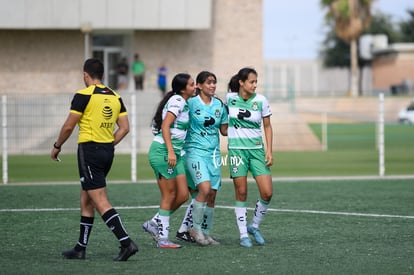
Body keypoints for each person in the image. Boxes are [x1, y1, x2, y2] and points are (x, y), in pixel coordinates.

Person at [50, 58, 138, 261]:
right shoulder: (116, 96)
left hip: (89, 151)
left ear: (85, 75)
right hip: (107, 151)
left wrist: (57, 146)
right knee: (87, 198)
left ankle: (126, 243)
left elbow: (69, 126)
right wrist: (108, 144)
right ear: (104, 75)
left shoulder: (83, 95)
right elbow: (125, 128)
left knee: (99, 199)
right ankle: (80, 248)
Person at [142, 73, 196, 248]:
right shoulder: (177, 101)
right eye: (191, 85)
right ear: (182, 89)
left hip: (176, 154)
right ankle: (163, 239)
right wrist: (171, 152)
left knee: (182, 195)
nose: (194, 87)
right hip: (164, 152)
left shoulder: (183, 102)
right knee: (169, 195)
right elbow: (165, 126)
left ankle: (153, 222)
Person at [175, 71, 228, 246]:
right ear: (198, 85)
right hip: (193, 151)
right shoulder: (190, 103)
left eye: (214, 82)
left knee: (212, 194)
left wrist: (238, 120)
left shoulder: (219, 105)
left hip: (213, 154)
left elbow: (224, 130)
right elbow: (176, 120)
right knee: (204, 189)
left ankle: (205, 233)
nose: (212, 85)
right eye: (208, 82)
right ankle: (195, 230)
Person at [226, 67, 274, 248]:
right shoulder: (229, 99)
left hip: (257, 151)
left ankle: (254, 226)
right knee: (241, 192)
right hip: (236, 151)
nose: (255, 85)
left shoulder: (261, 101)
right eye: (251, 82)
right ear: (241, 82)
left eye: (256, 82)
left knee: (267, 192)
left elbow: (267, 126)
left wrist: (269, 150)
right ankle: (243, 235)